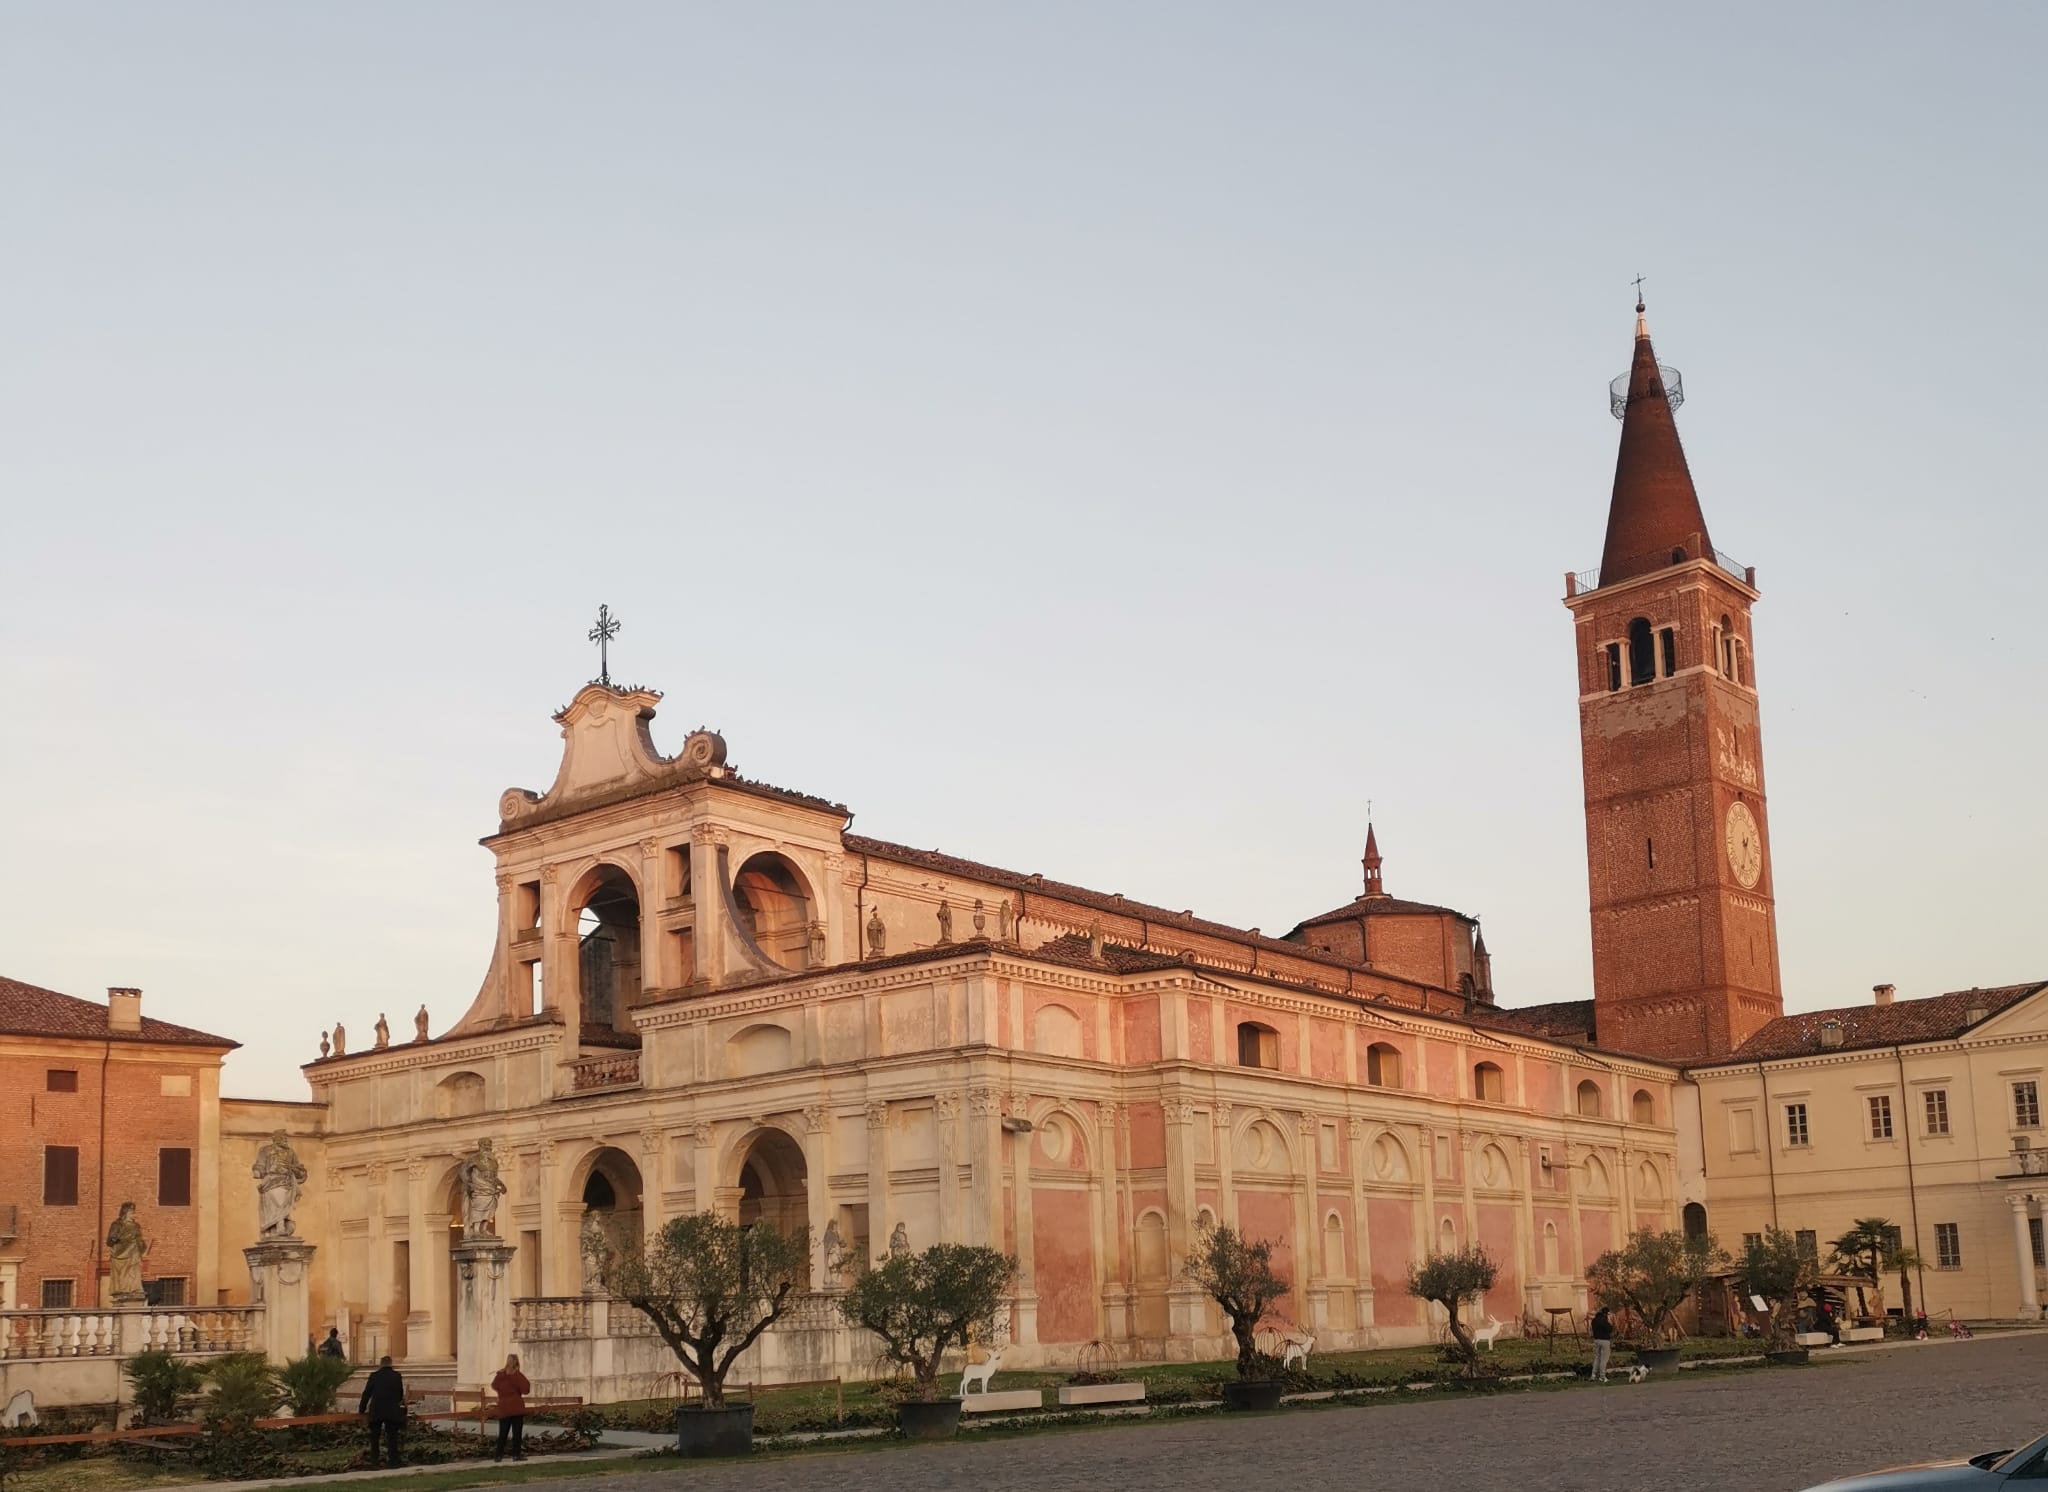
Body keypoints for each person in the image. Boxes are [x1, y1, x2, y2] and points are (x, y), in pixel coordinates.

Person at [358, 1355, 405, 1467]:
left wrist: (362, 1408)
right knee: (392, 1437)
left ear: (380, 1364)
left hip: (377, 1409)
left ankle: (375, 1461)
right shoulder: (396, 1376)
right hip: (392, 1409)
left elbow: (367, 1393)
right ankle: (393, 1461)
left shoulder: (374, 1376)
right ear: (391, 1364)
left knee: (374, 1437)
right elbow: (400, 1394)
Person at [491, 1354, 532, 1462]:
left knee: (503, 1433)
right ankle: (516, 1455)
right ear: (517, 1363)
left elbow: (494, 1386)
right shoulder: (518, 1376)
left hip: (504, 1407)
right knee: (517, 1433)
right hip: (516, 1406)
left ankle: (498, 1455)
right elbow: (526, 1390)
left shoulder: (500, 1375)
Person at [1589, 1306, 1614, 1382]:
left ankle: (1593, 1375)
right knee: (1604, 1359)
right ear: (1606, 1313)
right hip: (1605, 1341)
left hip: (1596, 1340)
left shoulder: (1594, 1320)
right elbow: (1610, 1329)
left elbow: (1592, 1330)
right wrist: (1609, 1321)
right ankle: (1602, 1376)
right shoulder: (1604, 1320)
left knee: (1597, 1358)